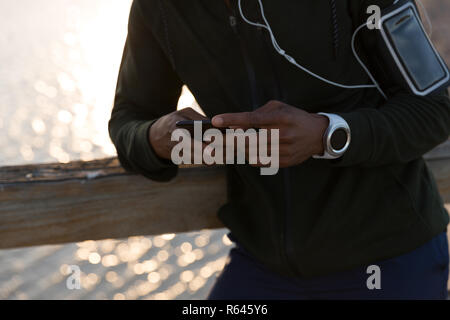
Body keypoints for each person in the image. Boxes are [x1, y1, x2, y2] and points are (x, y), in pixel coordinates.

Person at [109, 0, 450, 299]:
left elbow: (437, 108)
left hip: (389, 260)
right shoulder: (157, 6)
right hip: (263, 267)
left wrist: (326, 134)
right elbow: (129, 118)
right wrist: (154, 138)